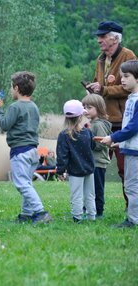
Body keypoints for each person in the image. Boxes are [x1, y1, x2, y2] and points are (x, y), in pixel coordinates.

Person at [86, 21, 137, 208]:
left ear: (114, 38)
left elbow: (132, 87)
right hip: (102, 121)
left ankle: (131, 207)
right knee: (94, 166)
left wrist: (104, 90)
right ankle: (93, 206)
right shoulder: (100, 59)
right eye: (99, 36)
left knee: (125, 170)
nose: (99, 39)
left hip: (121, 122)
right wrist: (91, 89)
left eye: (103, 36)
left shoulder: (129, 56)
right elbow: (96, 82)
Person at [0, 71, 52, 224]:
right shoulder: (33, 106)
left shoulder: (15, 107)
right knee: (27, 182)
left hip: (20, 151)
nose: (11, 90)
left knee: (21, 184)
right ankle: (26, 214)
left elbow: (5, 124)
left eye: (12, 88)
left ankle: (40, 212)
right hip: (33, 150)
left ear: (17, 88)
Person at [101, 60, 138, 228]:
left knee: (131, 186)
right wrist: (120, 144)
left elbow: (133, 127)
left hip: (135, 151)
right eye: (121, 76)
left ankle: (133, 220)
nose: (121, 79)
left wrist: (114, 138)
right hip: (129, 148)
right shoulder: (131, 98)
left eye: (126, 76)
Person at [56, 100, 96, 223]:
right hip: (89, 169)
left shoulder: (64, 135)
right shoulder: (87, 132)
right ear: (80, 116)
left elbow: (62, 156)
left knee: (76, 195)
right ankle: (91, 217)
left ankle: (77, 217)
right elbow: (93, 146)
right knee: (90, 194)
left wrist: (60, 171)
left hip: (75, 171)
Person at [82, 93, 112, 218]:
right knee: (89, 188)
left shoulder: (99, 125)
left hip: (98, 162)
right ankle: (88, 209)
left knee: (97, 188)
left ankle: (99, 211)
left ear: (98, 108)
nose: (86, 110)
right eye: (84, 107)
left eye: (89, 107)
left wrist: (87, 141)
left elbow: (102, 144)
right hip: (92, 162)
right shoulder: (92, 123)